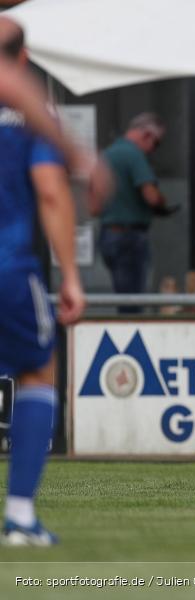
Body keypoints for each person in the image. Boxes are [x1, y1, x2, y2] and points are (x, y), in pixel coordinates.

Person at [0, 17, 87, 545]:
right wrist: (72, 275)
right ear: (25, 60)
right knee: (37, 371)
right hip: (8, 266)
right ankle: (20, 518)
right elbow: (52, 191)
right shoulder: (33, 118)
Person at [95, 113, 168, 309]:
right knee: (133, 302)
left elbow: (93, 204)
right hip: (130, 237)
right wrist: (162, 202)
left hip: (107, 233)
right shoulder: (134, 154)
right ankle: (129, 337)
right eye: (157, 143)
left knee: (122, 294)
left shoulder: (106, 154)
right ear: (146, 135)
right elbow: (151, 195)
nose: (154, 150)